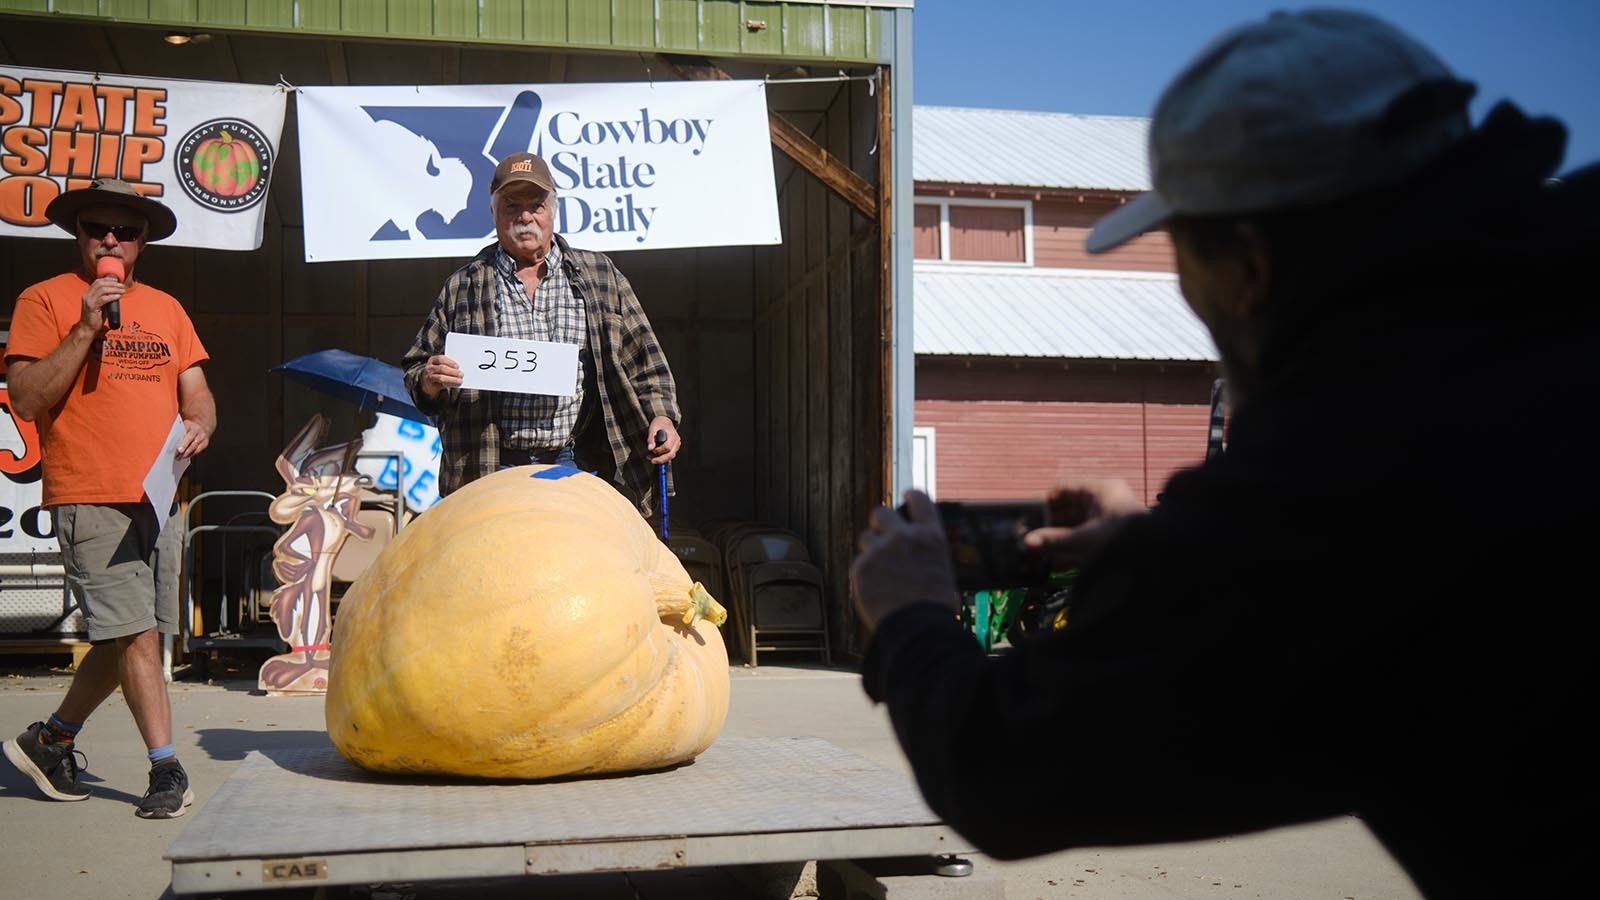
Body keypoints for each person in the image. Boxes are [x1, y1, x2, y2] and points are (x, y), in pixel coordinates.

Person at [850, 9, 1595, 896]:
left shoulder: (1340, 481)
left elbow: (1003, 771)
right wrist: (1164, 552)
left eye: (1182, 260)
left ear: (1248, 267)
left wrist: (910, 617)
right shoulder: (1534, 332)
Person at [3, 178, 217, 819]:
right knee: (136, 635)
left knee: (129, 635)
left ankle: (52, 739)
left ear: (142, 242)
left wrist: (201, 422)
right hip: (91, 492)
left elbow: (196, 388)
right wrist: (86, 327)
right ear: (79, 236)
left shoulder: (168, 308)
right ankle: (165, 769)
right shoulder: (43, 300)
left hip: (161, 494)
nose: (111, 240)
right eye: (98, 229)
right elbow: (27, 399)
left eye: (125, 232)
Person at [402, 151, 681, 515]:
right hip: (489, 465)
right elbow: (416, 369)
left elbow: (646, 362)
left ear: (553, 210)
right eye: (511, 205)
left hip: (575, 460)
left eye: (536, 204)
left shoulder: (600, 276)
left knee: (576, 565)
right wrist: (429, 379)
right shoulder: (463, 286)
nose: (525, 216)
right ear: (493, 212)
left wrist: (662, 417)